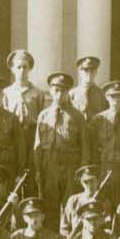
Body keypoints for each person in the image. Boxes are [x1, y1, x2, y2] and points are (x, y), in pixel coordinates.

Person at [33, 71, 89, 229]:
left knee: (71, 206)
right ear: (50, 91)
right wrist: (38, 170)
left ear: (68, 92)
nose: (59, 94)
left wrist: (82, 172)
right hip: (50, 166)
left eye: (63, 91)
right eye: (56, 90)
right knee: (50, 205)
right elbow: (38, 146)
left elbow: (85, 147)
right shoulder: (43, 116)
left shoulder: (77, 116)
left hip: (71, 166)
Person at [89, 80, 120, 211]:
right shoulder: (98, 120)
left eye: (119, 96)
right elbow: (92, 148)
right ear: (107, 97)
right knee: (103, 207)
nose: (116, 100)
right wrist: (95, 173)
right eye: (112, 96)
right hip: (104, 170)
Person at [0, 49, 47, 175]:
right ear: (12, 69)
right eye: (18, 67)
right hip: (13, 134)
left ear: (29, 68)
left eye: (25, 67)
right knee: (13, 167)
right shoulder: (6, 92)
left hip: (31, 134)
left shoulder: (38, 93)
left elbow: (42, 117)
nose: (22, 70)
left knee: (31, 168)